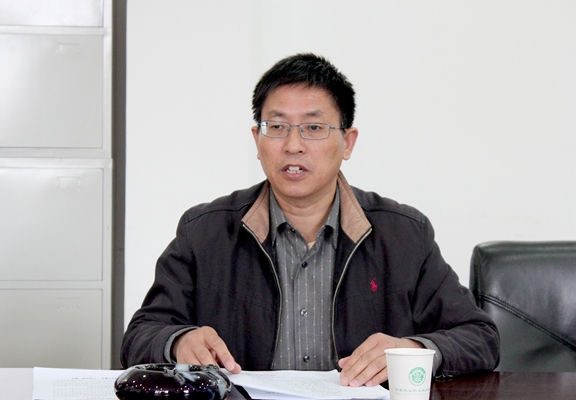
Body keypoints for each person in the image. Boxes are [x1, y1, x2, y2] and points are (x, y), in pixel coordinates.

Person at [121, 53, 500, 387]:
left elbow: (480, 337)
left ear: (347, 142)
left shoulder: (404, 234)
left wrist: (412, 350)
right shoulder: (204, 232)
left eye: (314, 128)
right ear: (257, 140)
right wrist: (178, 342)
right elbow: (140, 335)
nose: (293, 145)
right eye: (277, 127)